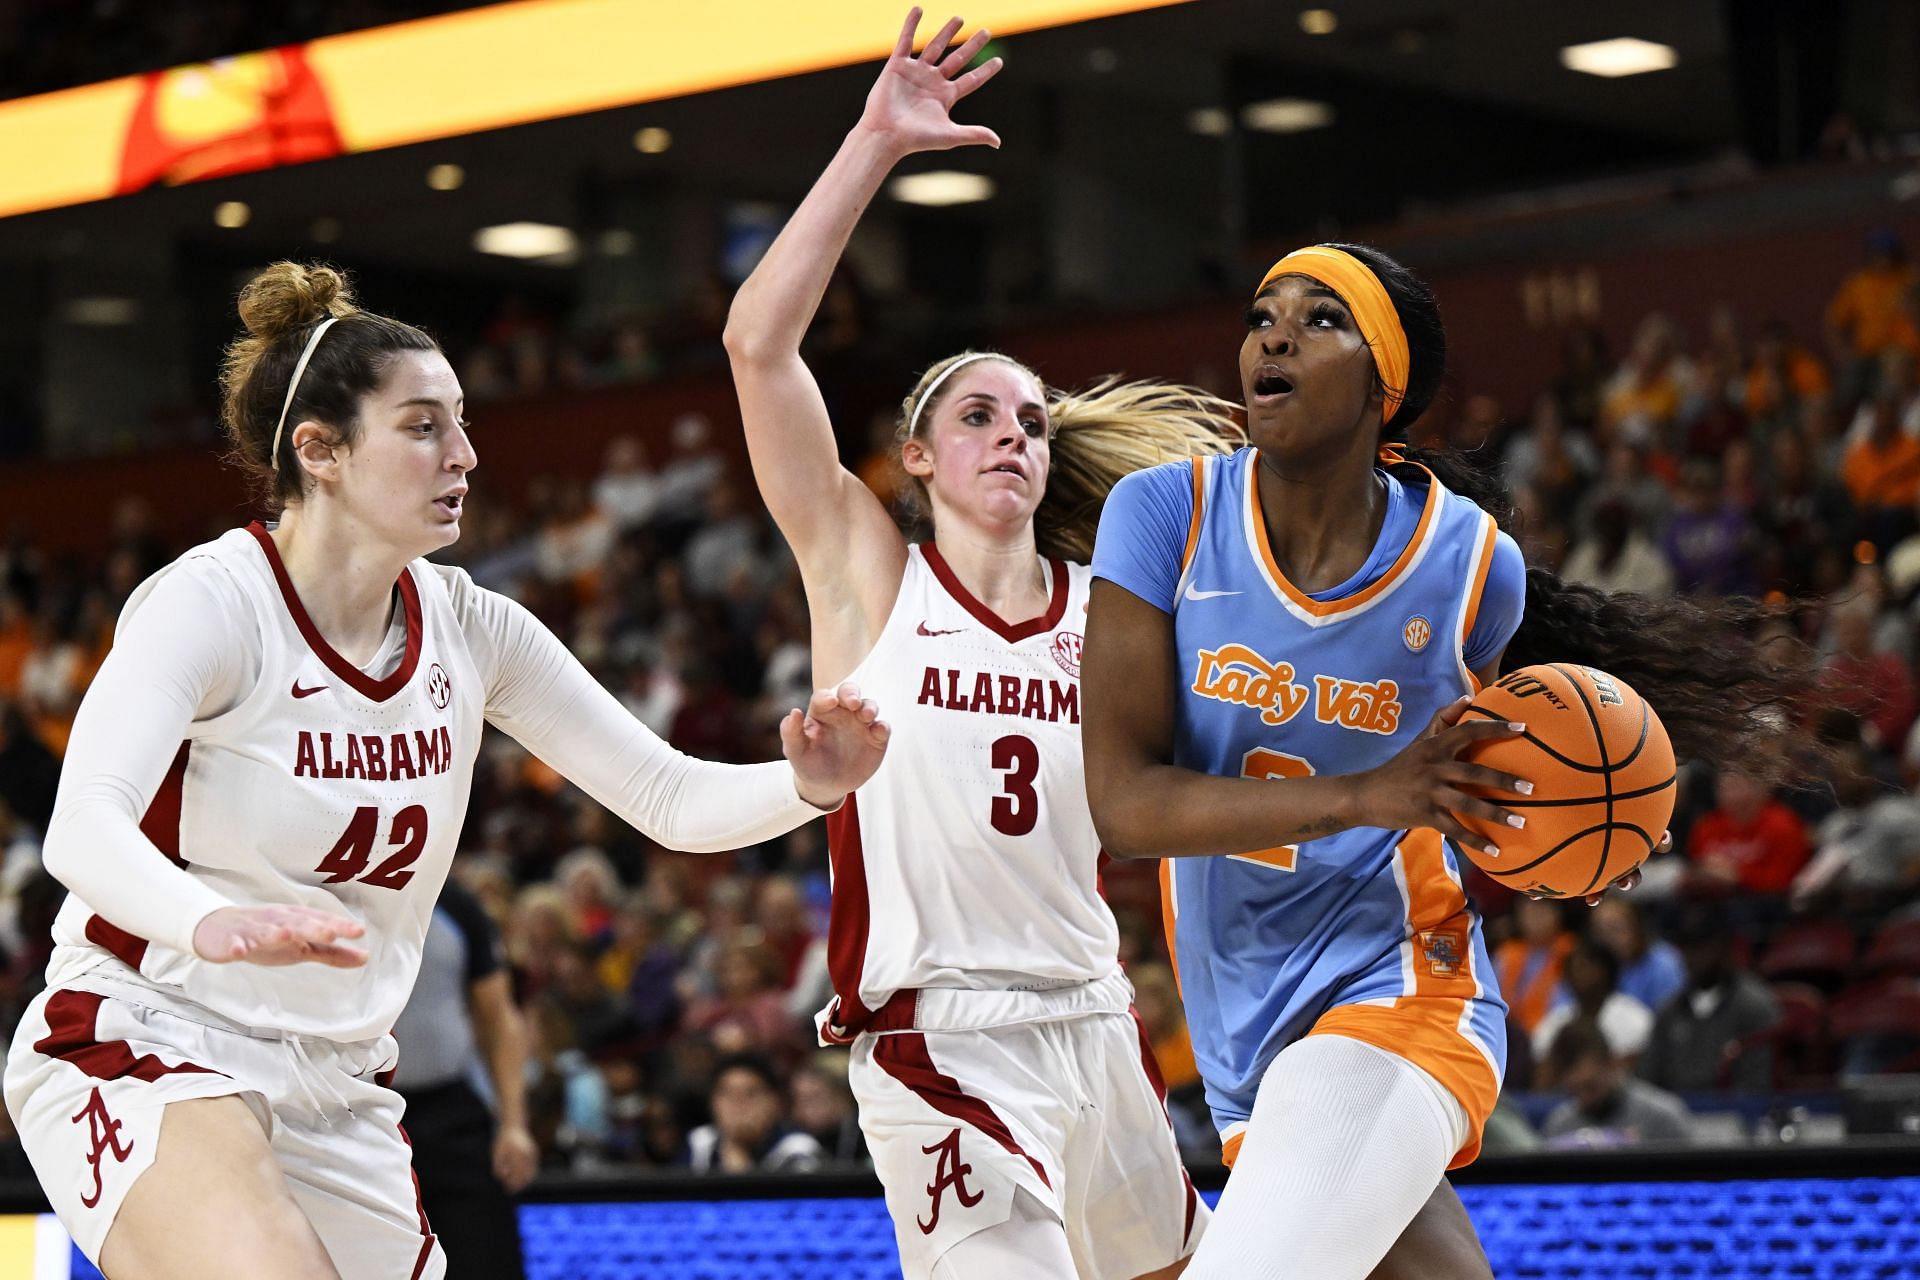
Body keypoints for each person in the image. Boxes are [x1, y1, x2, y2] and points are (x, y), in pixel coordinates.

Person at [2, 262, 891, 1280]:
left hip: (338, 1081)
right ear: (321, 449)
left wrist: (808, 786)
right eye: (424, 425)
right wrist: (212, 920)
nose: (465, 454)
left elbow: (671, 797)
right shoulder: (210, 603)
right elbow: (85, 828)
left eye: (462, 422)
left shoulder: (473, 627)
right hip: (149, 1030)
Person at [1082, 240, 1811, 1279]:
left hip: (1401, 991)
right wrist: (1371, 793)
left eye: (1321, 317)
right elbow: (1123, 802)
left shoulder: (1469, 568)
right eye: (1262, 314)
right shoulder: (1164, 514)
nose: (1275, 333)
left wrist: (1572, 827)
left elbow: (1514, 785)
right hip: (1241, 1030)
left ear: (1388, 387)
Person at [723, 14, 1237, 1277]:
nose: (1015, 434)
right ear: (916, 456)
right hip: (940, 1034)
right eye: (979, 414)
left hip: (1096, 1024)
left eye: (1035, 421)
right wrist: (871, 143)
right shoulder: (868, 571)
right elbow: (756, 346)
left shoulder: (1105, 608)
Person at [390, 877, 536, 1280]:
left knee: (485, 1258)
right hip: (359, 1112)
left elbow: (501, 1019)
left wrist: (514, 1124)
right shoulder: (328, 895)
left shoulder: (456, 904)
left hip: (450, 1114)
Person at [1539, 1019, 1693, 1148]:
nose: (1584, 1098)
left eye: (1590, 1086)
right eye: (1575, 1090)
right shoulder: (1558, 1126)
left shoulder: (1662, 1118)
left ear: (1611, 1064)